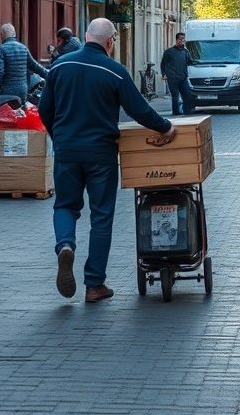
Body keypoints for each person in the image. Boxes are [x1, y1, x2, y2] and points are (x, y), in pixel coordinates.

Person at [39, 17, 175, 302]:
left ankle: (65, 245)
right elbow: (139, 109)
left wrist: (59, 137)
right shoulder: (114, 71)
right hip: (101, 154)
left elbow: (45, 109)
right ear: (110, 42)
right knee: (101, 217)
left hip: (66, 151)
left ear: (86, 35)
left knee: (65, 205)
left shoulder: (60, 66)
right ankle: (94, 285)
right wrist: (166, 127)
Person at [0, 23, 48, 104]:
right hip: (23, 89)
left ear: (1, 35)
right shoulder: (23, 48)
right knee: (20, 112)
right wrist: (50, 75)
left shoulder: (1, 49)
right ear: (14, 34)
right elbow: (35, 66)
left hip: (7, 90)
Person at [160, 32, 194, 116]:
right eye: (180, 39)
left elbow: (190, 62)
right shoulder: (169, 51)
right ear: (176, 39)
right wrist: (163, 74)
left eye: (183, 39)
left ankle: (187, 111)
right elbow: (163, 63)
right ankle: (176, 112)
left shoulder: (185, 52)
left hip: (183, 77)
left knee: (187, 94)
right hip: (172, 77)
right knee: (175, 95)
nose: (181, 41)